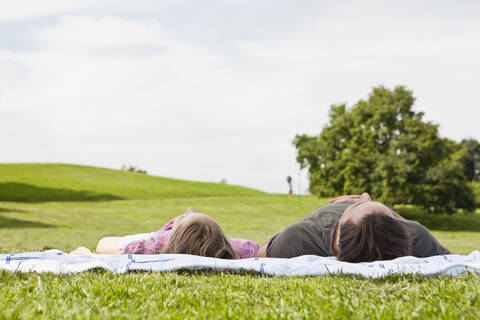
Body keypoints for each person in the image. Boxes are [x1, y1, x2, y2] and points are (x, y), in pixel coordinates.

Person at [256, 193, 450, 262]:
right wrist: (374, 205)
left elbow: (261, 254)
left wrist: (319, 212)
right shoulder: (416, 234)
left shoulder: (298, 237)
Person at [71, 207, 259, 259]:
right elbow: (254, 247)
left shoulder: (152, 245)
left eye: (185, 216)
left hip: (158, 236)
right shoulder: (231, 248)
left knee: (107, 242)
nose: (190, 209)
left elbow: (103, 247)